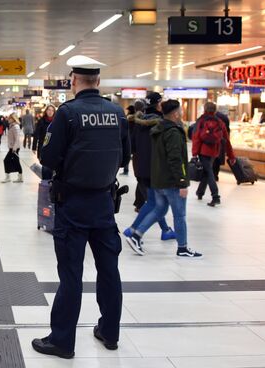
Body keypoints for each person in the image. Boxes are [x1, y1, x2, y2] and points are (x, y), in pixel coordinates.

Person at [32, 55, 130, 359]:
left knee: (72, 274)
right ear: (98, 82)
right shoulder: (117, 113)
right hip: (103, 202)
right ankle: (109, 332)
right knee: (109, 270)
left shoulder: (68, 113)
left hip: (72, 203)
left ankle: (62, 341)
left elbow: (48, 158)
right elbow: (125, 158)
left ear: (74, 81)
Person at [125, 100, 202, 258]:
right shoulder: (173, 132)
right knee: (179, 215)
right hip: (171, 181)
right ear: (175, 114)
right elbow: (175, 159)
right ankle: (183, 248)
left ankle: (136, 235)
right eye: (180, 111)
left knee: (160, 209)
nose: (181, 113)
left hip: (158, 179)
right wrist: (181, 182)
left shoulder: (158, 129)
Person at [123, 93, 175, 249]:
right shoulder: (163, 123)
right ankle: (137, 232)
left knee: (153, 202)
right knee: (159, 204)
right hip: (156, 169)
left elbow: (132, 146)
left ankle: (136, 229)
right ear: (159, 104)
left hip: (141, 168)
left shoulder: (138, 122)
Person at [192, 102, 236, 207]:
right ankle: (200, 192)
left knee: (209, 172)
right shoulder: (220, 122)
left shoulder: (201, 121)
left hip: (203, 151)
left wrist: (194, 153)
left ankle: (215, 196)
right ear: (215, 110)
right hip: (214, 151)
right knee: (207, 171)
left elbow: (196, 138)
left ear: (204, 109)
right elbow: (226, 140)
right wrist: (231, 156)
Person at [2, 112, 23, 183]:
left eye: (10, 118)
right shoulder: (12, 125)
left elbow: (17, 138)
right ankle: (19, 177)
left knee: (6, 160)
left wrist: (14, 148)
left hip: (14, 148)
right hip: (12, 147)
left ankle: (8, 177)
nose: (8, 119)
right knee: (16, 161)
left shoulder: (15, 126)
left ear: (13, 119)